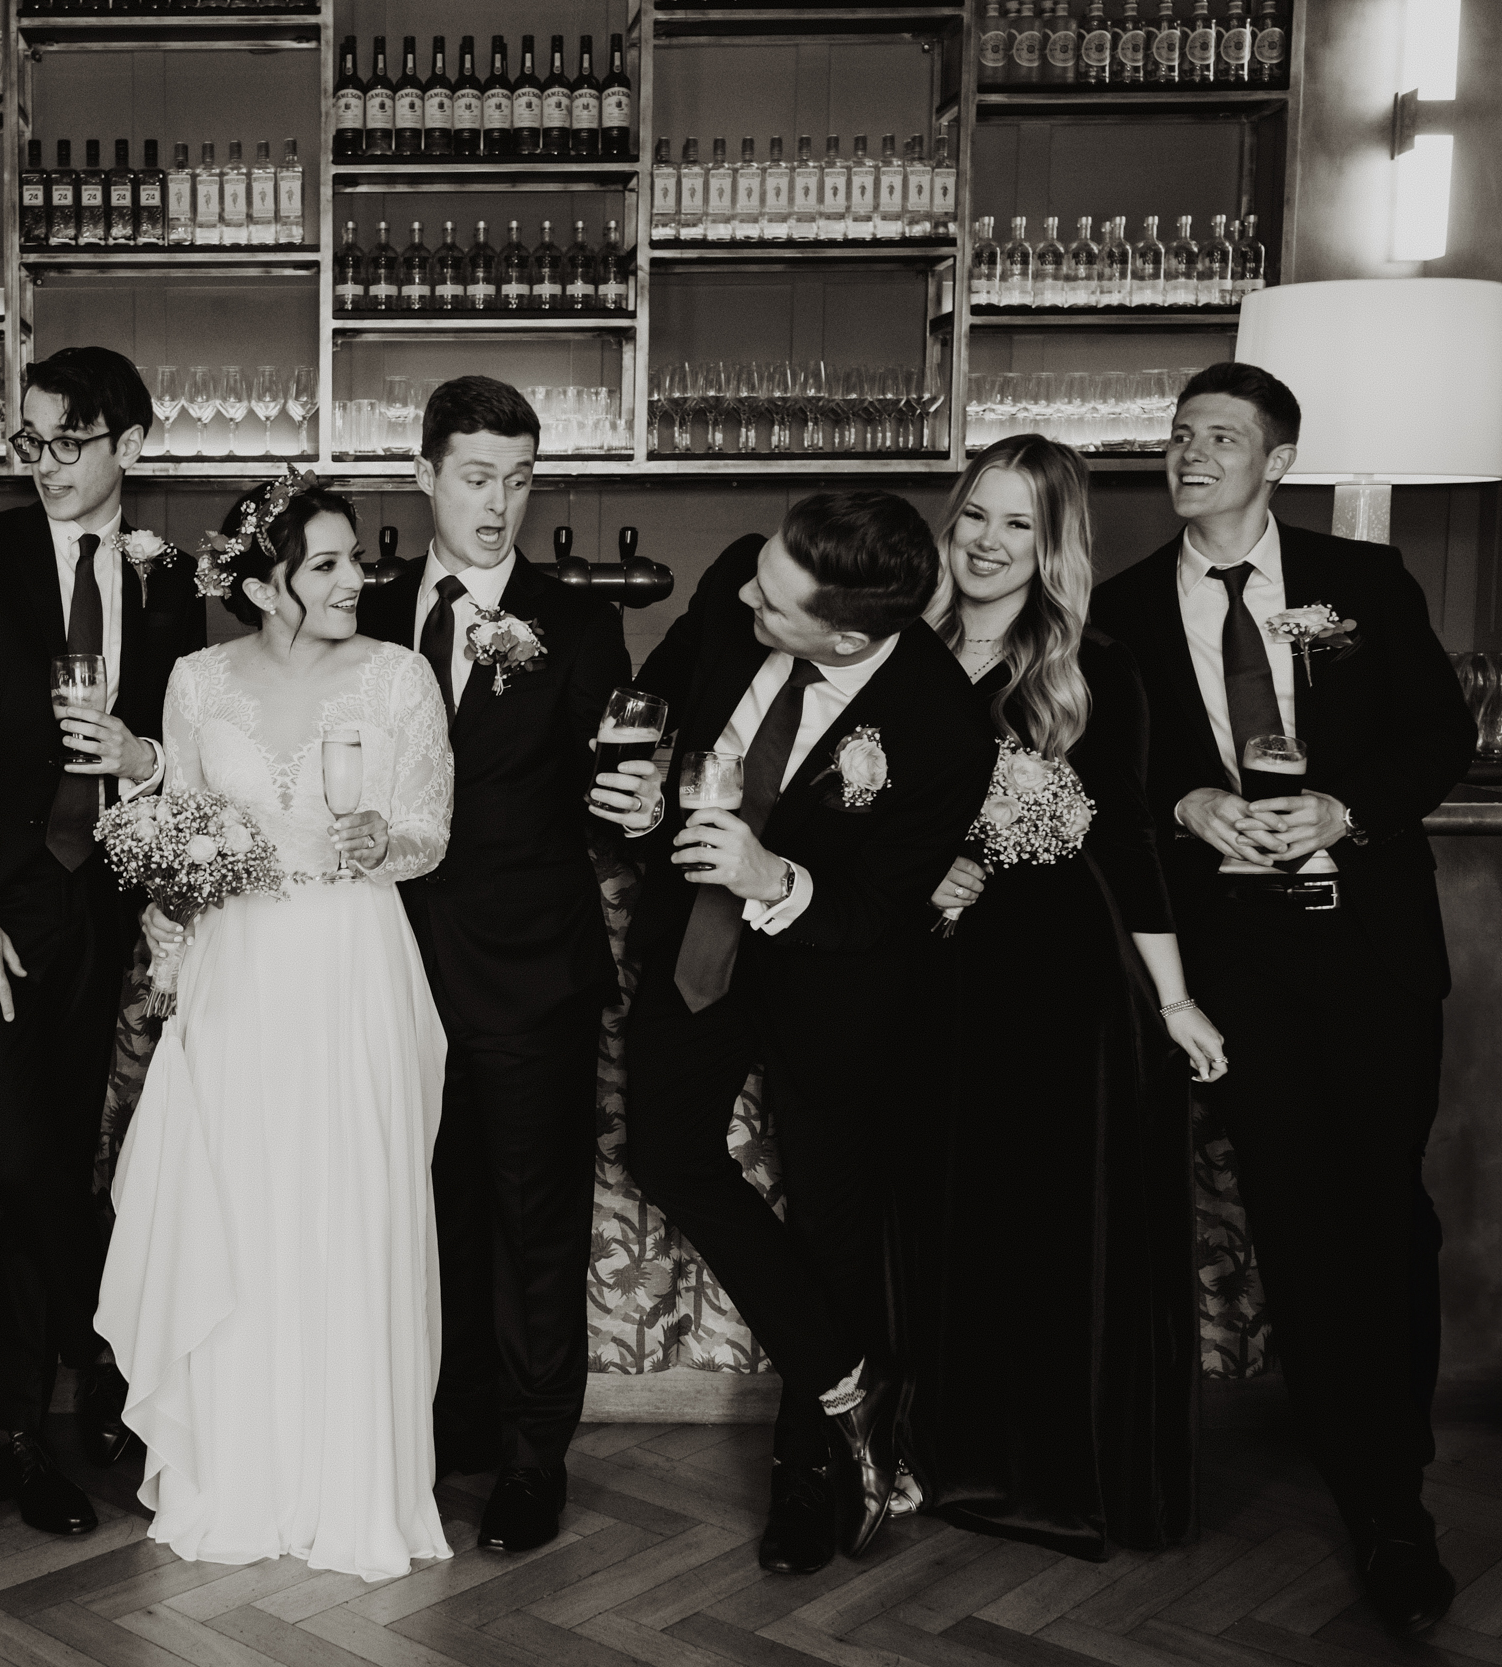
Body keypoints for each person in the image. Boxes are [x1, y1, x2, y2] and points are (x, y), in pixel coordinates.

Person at [1091, 362, 1471, 1634]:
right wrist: (1187, 803)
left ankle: (1391, 1456)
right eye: (1180, 434)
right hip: (1237, 959)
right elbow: (1101, 780)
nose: (1190, 453)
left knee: (1386, 1204)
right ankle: (1380, 1500)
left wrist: (1344, 809)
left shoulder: (1360, 583)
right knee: (1297, 1211)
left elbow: (1438, 735)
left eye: (1221, 436)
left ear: (1279, 458)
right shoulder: (1122, 609)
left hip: (1366, 945)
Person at [590, 492, 994, 1576]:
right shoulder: (743, 579)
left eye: (771, 603)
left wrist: (774, 877)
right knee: (666, 1152)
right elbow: (660, 712)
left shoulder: (945, 731)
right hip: (694, 936)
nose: (739, 597)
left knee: (831, 1217)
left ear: (850, 636)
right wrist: (639, 803)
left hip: (833, 981)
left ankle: (810, 1479)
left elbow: (876, 910)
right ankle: (851, 1377)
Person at [100, 477, 454, 1581]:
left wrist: (380, 842)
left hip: (353, 960)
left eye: (355, 559)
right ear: (260, 584)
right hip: (239, 968)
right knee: (241, 1208)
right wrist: (170, 947)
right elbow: (180, 829)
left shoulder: (400, 676)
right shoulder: (196, 681)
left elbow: (431, 828)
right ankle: (238, 1469)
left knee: (349, 1203)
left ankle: (353, 1479)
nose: (356, 580)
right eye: (325, 565)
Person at [0, 345, 206, 1535]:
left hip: (115, 911)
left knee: (84, 1161)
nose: (44, 464)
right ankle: (77, 1391)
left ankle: (57, 1413)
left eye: (67, 440)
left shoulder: (167, 574)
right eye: (29, 440)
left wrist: (147, 759)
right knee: (26, 1168)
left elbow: (200, 738)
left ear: (128, 445)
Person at [901, 435, 1225, 1560]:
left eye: (1017, 525)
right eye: (975, 516)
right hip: (928, 981)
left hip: (1056, 989)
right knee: (947, 1218)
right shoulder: (902, 647)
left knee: (1048, 1227)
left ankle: (1053, 1473)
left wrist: (1173, 1001)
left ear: (1054, 544)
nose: (988, 543)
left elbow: (1130, 841)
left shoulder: (1093, 666)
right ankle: (951, 1455)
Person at [352, 377, 627, 1554]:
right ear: (423, 476)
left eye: (520, 479)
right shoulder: (351, 610)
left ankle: (529, 1458)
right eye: (476, 476)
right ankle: (442, 1425)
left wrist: (641, 800)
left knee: (533, 1223)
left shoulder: (579, 624)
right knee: (421, 1209)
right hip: (380, 970)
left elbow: (610, 800)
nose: (498, 504)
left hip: (527, 972)